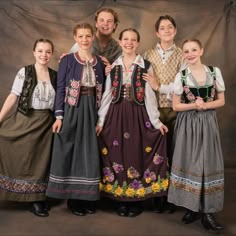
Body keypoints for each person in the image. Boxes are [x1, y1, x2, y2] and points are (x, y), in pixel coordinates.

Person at [96, 28, 169, 218]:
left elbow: (149, 95)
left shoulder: (145, 65)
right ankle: (120, 200)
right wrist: (101, 121)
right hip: (116, 114)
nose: (129, 42)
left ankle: (136, 200)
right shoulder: (114, 66)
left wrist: (155, 121)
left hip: (138, 115)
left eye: (133, 40)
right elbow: (106, 95)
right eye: (125, 39)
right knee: (117, 154)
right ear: (120, 42)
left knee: (135, 153)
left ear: (138, 43)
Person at [46, 23, 106, 216]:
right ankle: (72, 198)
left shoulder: (99, 62)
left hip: (91, 110)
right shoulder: (67, 60)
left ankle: (86, 197)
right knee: (71, 150)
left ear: (92, 38)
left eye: (88, 36)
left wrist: (100, 119)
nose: (85, 40)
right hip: (73, 107)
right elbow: (61, 88)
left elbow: (104, 91)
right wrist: (59, 116)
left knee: (88, 151)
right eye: (81, 36)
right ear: (75, 38)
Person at [167, 39, 225, 231]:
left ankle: (208, 212)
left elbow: (221, 101)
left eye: (193, 50)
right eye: (186, 51)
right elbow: (176, 106)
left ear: (201, 50)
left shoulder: (214, 72)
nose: (190, 53)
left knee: (207, 162)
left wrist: (205, 105)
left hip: (208, 122)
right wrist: (194, 105)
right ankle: (191, 207)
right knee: (190, 162)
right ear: (183, 54)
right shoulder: (181, 75)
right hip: (187, 124)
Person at [0, 39, 57, 217]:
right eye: (40, 51)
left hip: (46, 123)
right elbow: (13, 96)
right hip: (25, 119)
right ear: (34, 52)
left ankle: (38, 199)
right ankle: (12, 191)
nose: (44, 55)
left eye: (48, 52)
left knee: (41, 161)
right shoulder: (24, 72)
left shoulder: (55, 75)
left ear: (51, 54)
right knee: (15, 150)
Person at [143, 15, 186, 213]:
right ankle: (157, 195)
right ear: (157, 32)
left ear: (175, 31)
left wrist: (158, 85)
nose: (167, 30)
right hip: (153, 110)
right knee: (155, 154)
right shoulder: (147, 54)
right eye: (162, 28)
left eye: (170, 27)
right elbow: (143, 85)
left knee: (174, 152)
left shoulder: (182, 55)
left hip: (176, 110)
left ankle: (173, 197)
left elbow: (182, 85)